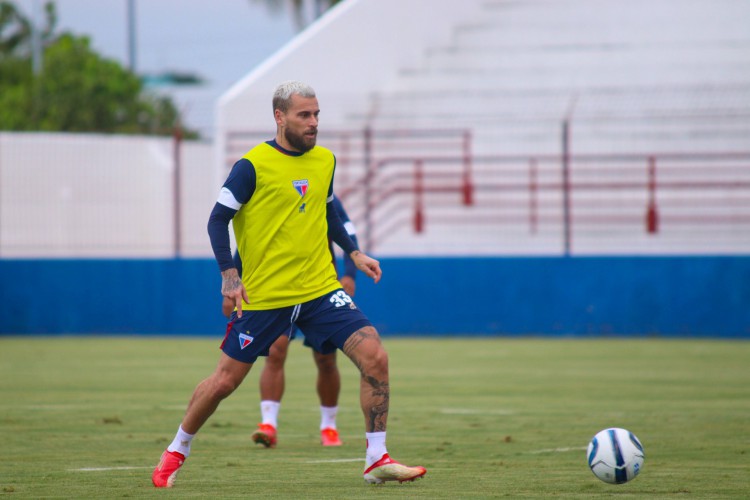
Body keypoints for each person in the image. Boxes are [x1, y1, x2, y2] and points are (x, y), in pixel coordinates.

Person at [152, 80, 426, 487]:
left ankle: (376, 457)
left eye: (316, 114)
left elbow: (329, 210)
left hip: (319, 291)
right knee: (224, 382)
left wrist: (354, 252)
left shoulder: (324, 161)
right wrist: (229, 276)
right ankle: (177, 449)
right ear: (280, 117)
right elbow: (216, 220)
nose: (313, 122)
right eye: (304, 115)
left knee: (376, 358)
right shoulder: (251, 166)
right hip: (266, 298)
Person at [221, 195, 358, 448]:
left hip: (319, 290)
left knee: (326, 359)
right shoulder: (269, 192)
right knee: (275, 351)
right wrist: (234, 281)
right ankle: (268, 424)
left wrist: (349, 274)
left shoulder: (324, 192)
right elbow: (249, 240)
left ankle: (329, 426)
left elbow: (347, 233)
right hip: (277, 292)